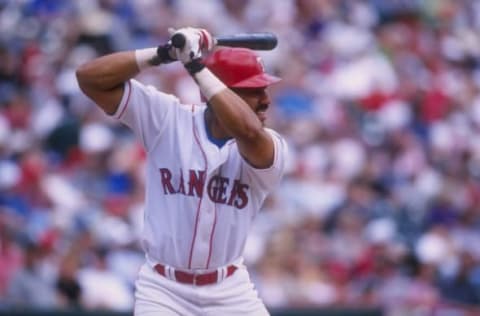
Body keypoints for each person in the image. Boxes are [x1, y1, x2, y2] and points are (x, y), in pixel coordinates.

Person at [76, 26, 288, 316]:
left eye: (264, 89)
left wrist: (195, 66)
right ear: (215, 94)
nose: (265, 100)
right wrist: (164, 53)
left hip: (230, 290)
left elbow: (248, 132)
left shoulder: (270, 144)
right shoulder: (168, 119)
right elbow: (89, 79)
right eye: (253, 91)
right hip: (164, 289)